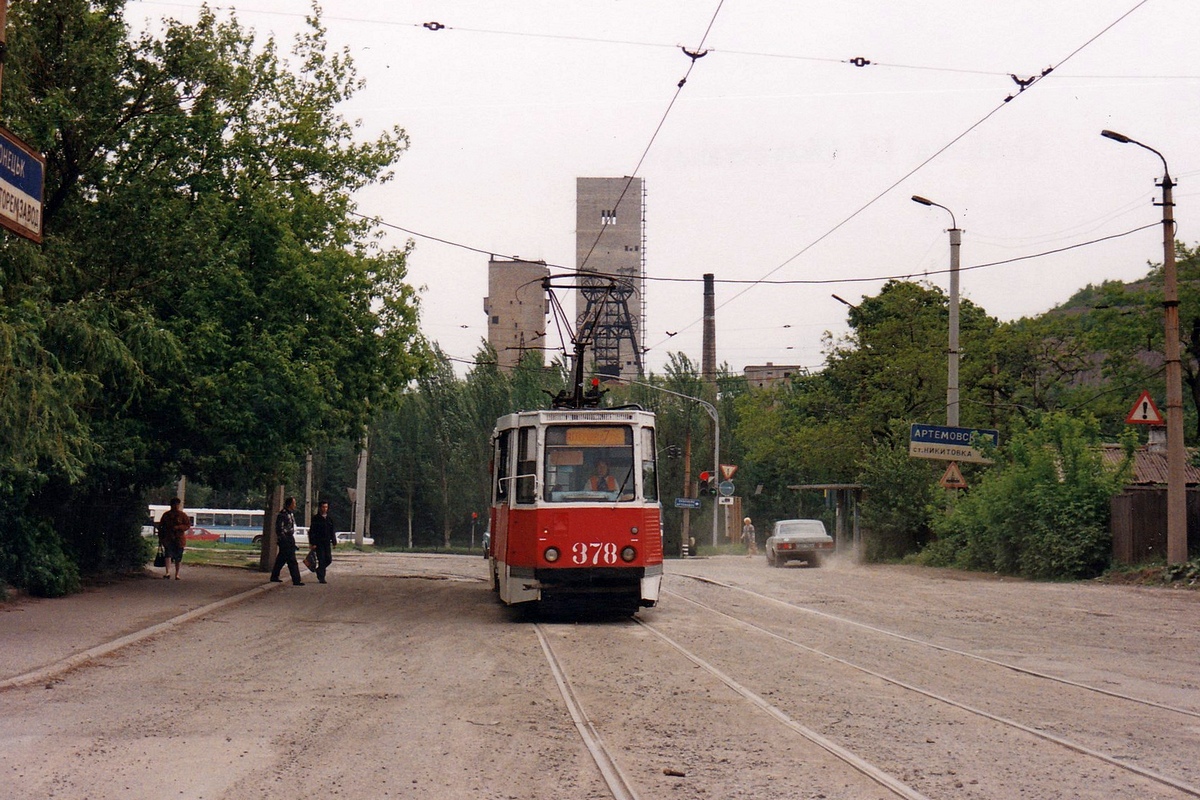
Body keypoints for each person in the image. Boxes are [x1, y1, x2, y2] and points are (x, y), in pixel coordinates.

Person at [270, 496, 304, 585]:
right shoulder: (283, 514)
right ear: (290, 504)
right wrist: (284, 540)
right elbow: (279, 529)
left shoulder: (290, 513)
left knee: (281, 559)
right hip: (285, 539)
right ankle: (296, 580)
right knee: (292, 560)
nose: (295, 505)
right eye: (294, 503)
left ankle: (274, 576)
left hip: (289, 538)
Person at [157, 497, 191, 580]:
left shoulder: (182, 515)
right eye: (174, 504)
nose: (176, 506)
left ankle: (177, 574)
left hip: (179, 539)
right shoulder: (166, 515)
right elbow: (161, 527)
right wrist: (161, 538)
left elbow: (187, 525)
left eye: (177, 504)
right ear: (171, 505)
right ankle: (167, 572)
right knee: (168, 555)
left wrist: (179, 527)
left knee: (178, 557)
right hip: (168, 538)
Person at [308, 500, 336, 584]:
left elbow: (332, 531)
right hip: (318, 543)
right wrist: (312, 543)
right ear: (320, 508)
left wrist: (334, 541)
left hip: (327, 542)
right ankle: (322, 577)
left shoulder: (329, 519)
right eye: (323, 507)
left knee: (328, 559)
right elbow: (312, 531)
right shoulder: (316, 518)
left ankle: (319, 570)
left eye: (326, 507)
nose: (325, 509)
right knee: (321, 559)